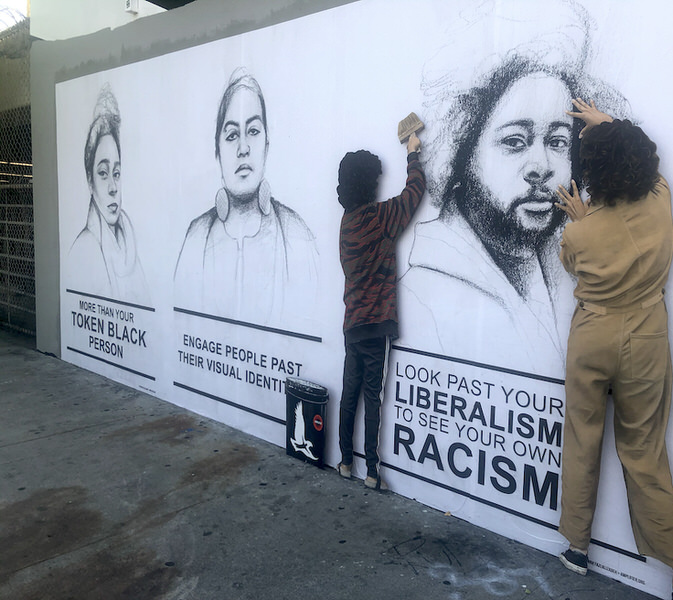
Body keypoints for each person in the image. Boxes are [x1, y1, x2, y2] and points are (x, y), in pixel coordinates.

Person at [400, 52, 626, 375]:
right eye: (514, 141)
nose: (541, 167)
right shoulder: (422, 295)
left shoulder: (560, 267)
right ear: (462, 153)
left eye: (558, 141)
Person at [555, 99, 673, 600]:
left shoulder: (578, 230)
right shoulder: (662, 197)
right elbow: (638, 160)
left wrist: (582, 216)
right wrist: (609, 124)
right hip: (646, 339)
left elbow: (575, 263)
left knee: (581, 439)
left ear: (592, 175)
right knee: (645, 452)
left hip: (591, 339)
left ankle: (575, 547)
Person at [174, 69, 318, 327]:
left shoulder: (297, 235)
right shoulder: (196, 238)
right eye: (231, 135)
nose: (243, 148)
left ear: (267, 145)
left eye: (253, 131)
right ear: (217, 152)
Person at [337, 131, 425, 490]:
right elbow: (414, 194)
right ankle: (372, 472)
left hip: (352, 324)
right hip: (377, 326)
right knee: (373, 398)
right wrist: (413, 154)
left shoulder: (347, 223)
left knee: (349, 395)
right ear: (368, 184)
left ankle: (345, 462)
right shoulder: (379, 218)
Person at [69, 85, 150, 305]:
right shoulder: (83, 250)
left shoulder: (129, 245)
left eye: (117, 173)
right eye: (103, 173)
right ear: (90, 181)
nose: (113, 186)